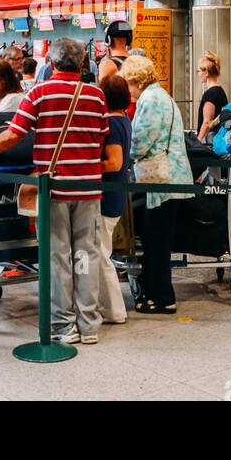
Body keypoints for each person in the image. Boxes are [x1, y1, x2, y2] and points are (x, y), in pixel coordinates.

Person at [0, 38, 107, 344]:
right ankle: (89, 326)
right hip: (89, 187)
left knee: (58, 255)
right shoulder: (96, 95)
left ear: (52, 64)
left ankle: (64, 325)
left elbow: (13, 135)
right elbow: (100, 141)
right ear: (82, 64)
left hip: (53, 187)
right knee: (87, 254)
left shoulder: (40, 93)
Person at [122, 54, 193, 313]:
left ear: (135, 80)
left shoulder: (149, 100)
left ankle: (163, 299)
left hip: (161, 179)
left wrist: (123, 158)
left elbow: (141, 140)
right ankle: (157, 294)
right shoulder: (164, 96)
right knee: (158, 240)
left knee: (156, 243)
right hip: (171, 176)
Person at [97, 74, 131, 324]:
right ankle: (103, 306)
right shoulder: (124, 119)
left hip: (107, 196)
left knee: (101, 255)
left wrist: (86, 165)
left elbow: (115, 162)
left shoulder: (111, 123)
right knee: (101, 253)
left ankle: (115, 311)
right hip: (116, 194)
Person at [194, 51, 228, 143]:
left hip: (209, 141)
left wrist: (198, 143)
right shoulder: (220, 91)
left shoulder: (210, 94)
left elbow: (207, 123)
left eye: (199, 71)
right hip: (218, 139)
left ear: (206, 72)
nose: (198, 74)